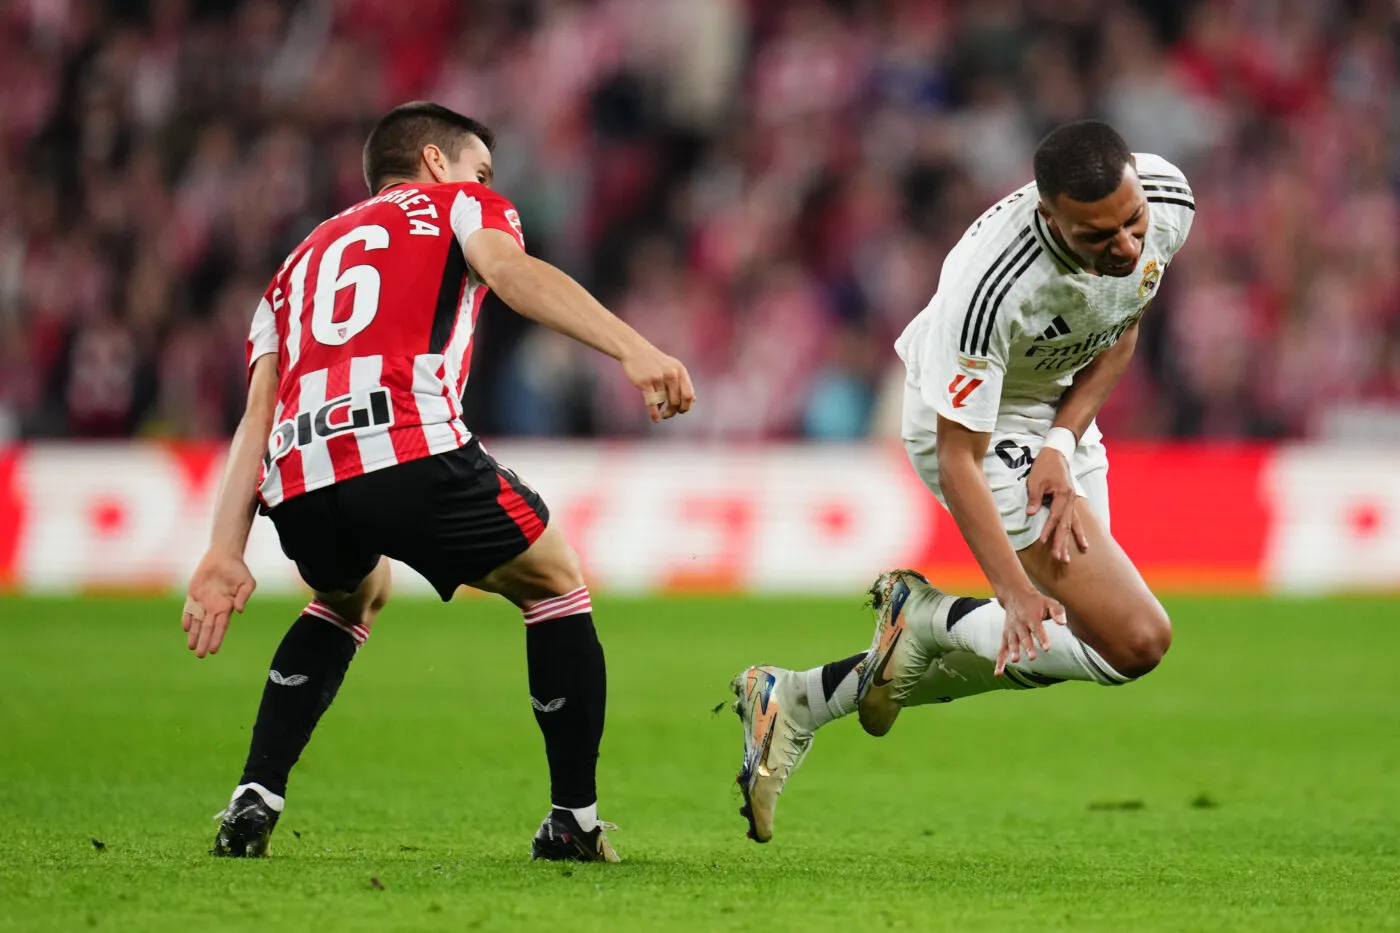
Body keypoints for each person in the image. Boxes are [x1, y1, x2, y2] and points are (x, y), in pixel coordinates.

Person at [181, 101, 695, 863]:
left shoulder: (295, 266)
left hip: (299, 473)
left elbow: (256, 412)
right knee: (554, 578)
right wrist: (631, 347)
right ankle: (574, 823)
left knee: (352, 594)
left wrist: (226, 548)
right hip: (405, 439)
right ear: (433, 161)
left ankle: (255, 794)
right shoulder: (461, 203)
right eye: (481, 168)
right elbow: (511, 272)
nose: (489, 182)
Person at [728, 121, 1194, 843]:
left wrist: (1062, 446)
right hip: (978, 426)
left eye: (1131, 224)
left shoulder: (1167, 200)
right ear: (1051, 218)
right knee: (1136, 638)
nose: (1128, 246)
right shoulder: (990, 285)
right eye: (1099, 236)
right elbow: (957, 458)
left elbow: (1122, 321)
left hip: (1056, 418)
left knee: (1096, 641)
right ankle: (931, 620)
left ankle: (797, 698)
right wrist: (1009, 591)